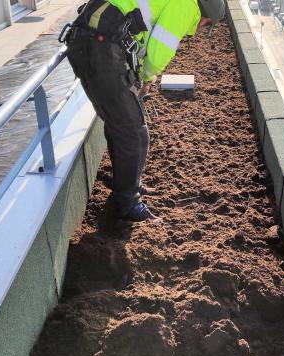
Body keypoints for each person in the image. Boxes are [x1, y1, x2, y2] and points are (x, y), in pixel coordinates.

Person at [62, 0, 224, 221]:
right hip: (100, 47)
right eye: (206, 27)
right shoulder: (187, 6)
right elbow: (159, 50)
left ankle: (127, 187)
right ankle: (127, 204)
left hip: (87, 41)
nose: (199, 31)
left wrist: (135, 76)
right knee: (135, 134)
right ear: (205, 18)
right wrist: (147, 78)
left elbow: (139, 37)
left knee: (120, 125)